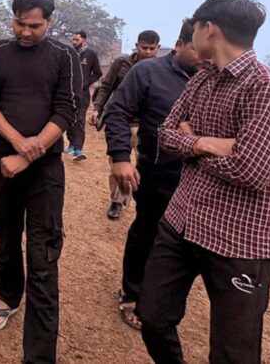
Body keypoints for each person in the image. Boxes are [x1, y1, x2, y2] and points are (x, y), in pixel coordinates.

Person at [136, 0, 270, 363]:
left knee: (233, 352)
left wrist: (190, 143)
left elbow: (251, 170)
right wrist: (209, 145)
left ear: (208, 28)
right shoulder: (201, 79)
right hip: (182, 221)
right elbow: (165, 134)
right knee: (151, 316)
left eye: (194, 25)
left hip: (239, 240)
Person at [0, 0, 83, 364]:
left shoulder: (64, 55)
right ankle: (8, 296)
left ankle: (39, 356)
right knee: (6, 236)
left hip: (46, 171)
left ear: (49, 22)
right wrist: (17, 142)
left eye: (34, 25)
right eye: (19, 23)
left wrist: (33, 149)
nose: (25, 31)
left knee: (43, 256)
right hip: (3, 160)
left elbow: (68, 109)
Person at [102, 21, 204, 330]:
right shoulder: (147, 73)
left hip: (202, 180)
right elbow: (117, 111)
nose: (205, 56)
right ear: (179, 44)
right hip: (157, 172)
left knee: (185, 243)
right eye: (198, 49)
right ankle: (131, 292)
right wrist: (121, 157)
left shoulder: (213, 80)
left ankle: (164, 298)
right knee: (147, 232)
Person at [92, 29, 161, 220]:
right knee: (119, 164)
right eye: (144, 48)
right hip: (122, 122)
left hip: (148, 126)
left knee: (147, 166)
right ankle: (117, 201)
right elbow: (106, 87)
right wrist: (97, 108)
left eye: (152, 48)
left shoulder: (160, 68)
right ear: (137, 46)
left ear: (158, 48)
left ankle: (145, 203)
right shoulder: (122, 64)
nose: (147, 52)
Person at [64, 30, 102, 160]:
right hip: (68, 93)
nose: (74, 42)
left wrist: (86, 83)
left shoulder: (91, 55)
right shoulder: (69, 53)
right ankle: (71, 144)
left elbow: (98, 73)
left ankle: (78, 149)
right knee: (69, 118)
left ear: (84, 40)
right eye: (73, 40)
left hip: (83, 95)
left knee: (79, 119)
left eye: (77, 40)